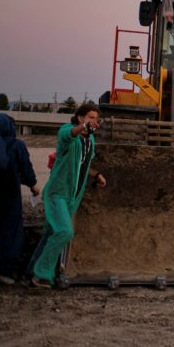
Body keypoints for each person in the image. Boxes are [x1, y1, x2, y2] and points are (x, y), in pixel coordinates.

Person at [27, 105, 106, 288]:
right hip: (57, 192)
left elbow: (83, 163)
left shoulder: (90, 140)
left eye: (96, 118)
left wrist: (96, 175)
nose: (94, 121)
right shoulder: (67, 131)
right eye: (90, 117)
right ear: (80, 117)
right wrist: (82, 128)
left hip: (73, 195)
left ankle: (31, 271)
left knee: (50, 233)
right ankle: (42, 275)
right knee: (65, 231)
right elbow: (68, 135)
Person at [0, 115, 40, 284]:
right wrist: (33, 185)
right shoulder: (17, 145)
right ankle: (3, 270)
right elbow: (25, 168)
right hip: (9, 194)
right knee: (10, 230)